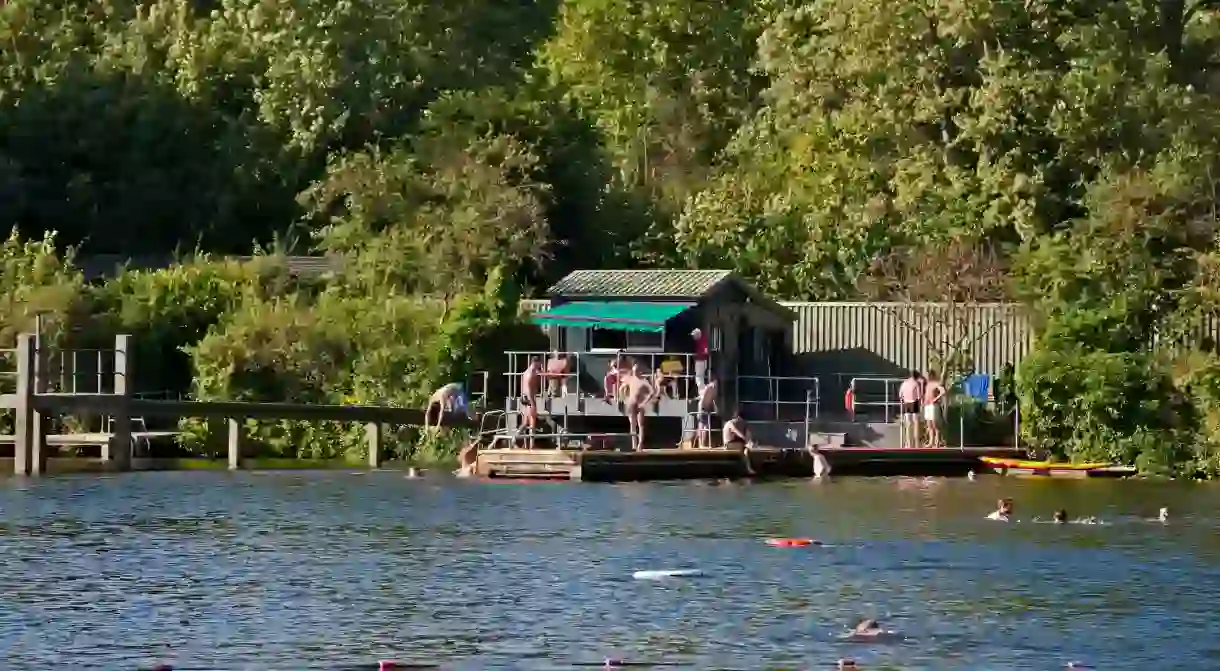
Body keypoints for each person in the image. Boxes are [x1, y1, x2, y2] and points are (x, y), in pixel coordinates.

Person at [623, 366, 656, 451]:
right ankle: (634, 444)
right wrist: (624, 398)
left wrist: (644, 402)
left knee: (641, 425)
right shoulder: (630, 379)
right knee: (632, 424)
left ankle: (640, 444)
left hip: (639, 404)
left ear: (639, 371)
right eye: (634, 371)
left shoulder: (643, 381)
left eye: (636, 371)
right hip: (631, 403)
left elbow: (652, 392)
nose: (635, 373)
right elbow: (622, 388)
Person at [519, 357, 541, 447]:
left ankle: (525, 444)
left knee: (525, 422)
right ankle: (531, 445)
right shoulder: (530, 374)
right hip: (529, 398)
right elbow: (528, 390)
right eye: (540, 363)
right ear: (536, 362)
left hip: (524, 398)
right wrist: (532, 404)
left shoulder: (526, 372)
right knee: (532, 422)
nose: (540, 365)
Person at [898, 370, 923, 448]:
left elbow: (900, 396)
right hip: (914, 403)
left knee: (908, 425)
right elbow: (919, 397)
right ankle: (916, 444)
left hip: (906, 404)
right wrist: (920, 407)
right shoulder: (916, 383)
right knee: (916, 424)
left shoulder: (904, 383)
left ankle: (909, 444)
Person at [922, 371, 946, 447]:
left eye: (927, 376)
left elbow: (943, 391)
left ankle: (937, 442)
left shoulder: (936, 384)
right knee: (929, 425)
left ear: (931, 376)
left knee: (935, 425)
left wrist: (936, 399)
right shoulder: (927, 385)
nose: (926, 377)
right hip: (927, 405)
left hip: (933, 405)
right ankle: (931, 442)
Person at [695, 378, 718, 448]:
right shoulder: (712, 387)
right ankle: (702, 444)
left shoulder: (707, 387)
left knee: (701, 424)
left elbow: (704, 396)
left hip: (702, 406)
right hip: (705, 407)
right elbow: (713, 399)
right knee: (705, 426)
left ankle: (701, 444)